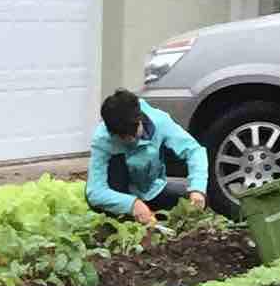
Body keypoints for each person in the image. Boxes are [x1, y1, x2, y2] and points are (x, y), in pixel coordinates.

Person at [86, 89, 208, 220]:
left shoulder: (160, 121)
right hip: (120, 195)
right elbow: (95, 192)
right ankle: (124, 219)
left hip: (151, 191)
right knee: (103, 195)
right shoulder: (102, 139)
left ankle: (152, 216)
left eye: (133, 133)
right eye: (122, 137)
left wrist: (197, 189)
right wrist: (132, 204)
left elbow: (194, 151)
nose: (130, 140)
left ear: (140, 119)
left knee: (195, 202)